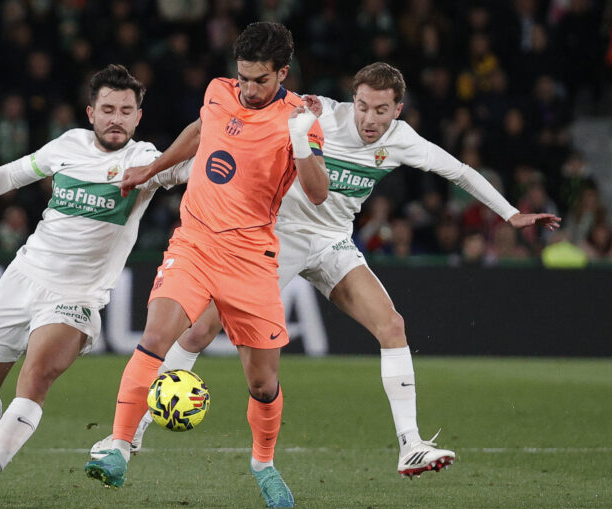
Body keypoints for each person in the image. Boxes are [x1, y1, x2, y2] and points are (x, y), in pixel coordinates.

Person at [92, 62, 562, 478]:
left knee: (392, 325)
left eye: (380, 110)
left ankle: (410, 446)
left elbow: (459, 171)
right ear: (352, 101)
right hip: (277, 236)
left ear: (397, 109)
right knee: (197, 333)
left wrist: (510, 214)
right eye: (362, 106)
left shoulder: (402, 141)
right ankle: (133, 433)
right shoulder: (318, 115)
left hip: (333, 242)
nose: (369, 119)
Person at [83, 22, 329, 509]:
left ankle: (263, 462)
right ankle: (118, 447)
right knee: (155, 339)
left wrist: (301, 139)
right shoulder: (219, 92)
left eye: (261, 80)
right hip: (194, 244)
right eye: (243, 78)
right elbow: (200, 130)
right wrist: (151, 168)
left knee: (263, 384)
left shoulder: (300, 118)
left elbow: (319, 193)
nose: (249, 89)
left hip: (251, 259)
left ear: (283, 72)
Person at [0, 64, 193, 507]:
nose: (116, 118)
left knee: (36, 375)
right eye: (108, 109)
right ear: (91, 113)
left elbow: (194, 169)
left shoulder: (145, 160)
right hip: (23, 278)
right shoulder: (68, 145)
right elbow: (17, 172)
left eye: (126, 110)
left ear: (139, 117)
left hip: (76, 297)